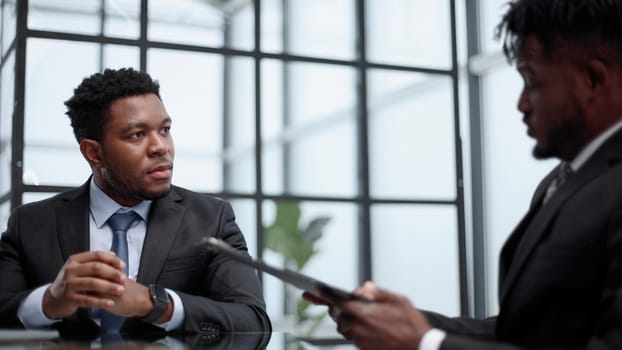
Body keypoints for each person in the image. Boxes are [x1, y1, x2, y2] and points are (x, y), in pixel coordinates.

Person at [306, 0, 622, 349]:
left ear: (594, 79)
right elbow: (526, 333)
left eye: (531, 81)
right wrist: (409, 323)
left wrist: (425, 343)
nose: (522, 104)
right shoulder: (560, 182)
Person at [0, 68, 271, 340]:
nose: (160, 147)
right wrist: (49, 302)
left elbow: (253, 322)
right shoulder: (30, 224)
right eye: (137, 135)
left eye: (164, 130)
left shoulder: (211, 218)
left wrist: (153, 303)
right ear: (94, 153)